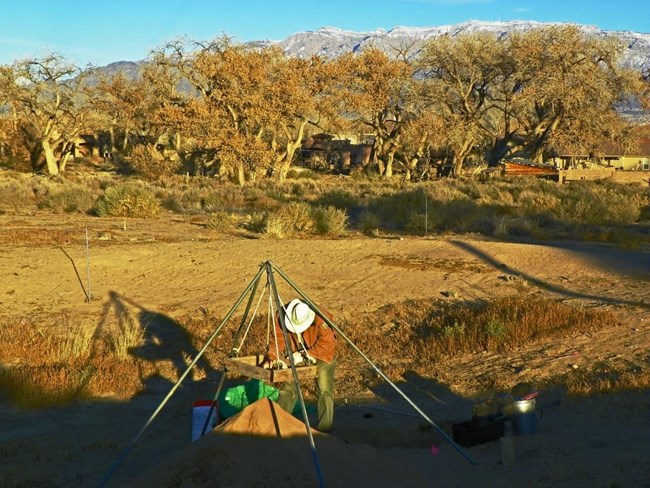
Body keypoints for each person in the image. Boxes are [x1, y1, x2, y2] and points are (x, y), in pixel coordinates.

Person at [264, 298, 336, 433]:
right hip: (296, 351)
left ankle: (325, 430)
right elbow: (277, 338)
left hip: (321, 353)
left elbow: (328, 344)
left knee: (324, 390)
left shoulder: (321, 319)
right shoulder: (282, 314)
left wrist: (308, 354)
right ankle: (279, 426)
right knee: (288, 388)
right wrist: (272, 356)